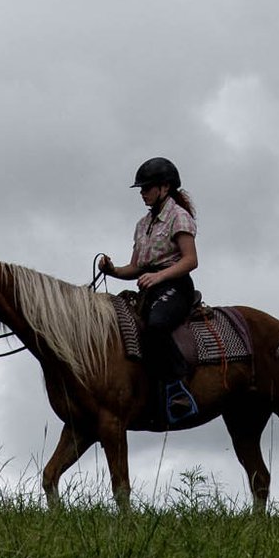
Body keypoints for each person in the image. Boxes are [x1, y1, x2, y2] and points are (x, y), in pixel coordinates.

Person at [97, 155, 201, 425]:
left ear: (164, 188)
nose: (142, 193)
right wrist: (113, 271)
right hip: (149, 288)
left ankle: (177, 387)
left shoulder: (179, 217)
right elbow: (135, 267)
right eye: (141, 189)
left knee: (155, 326)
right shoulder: (142, 225)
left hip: (176, 286)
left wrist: (158, 276)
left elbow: (191, 260)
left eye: (146, 188)